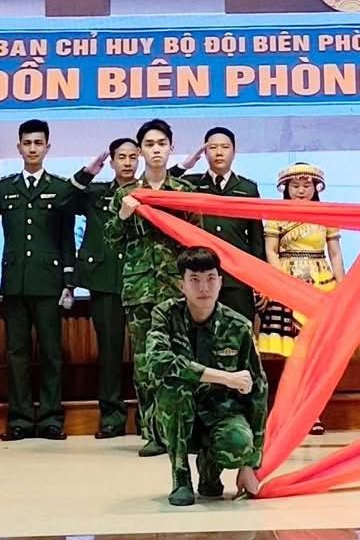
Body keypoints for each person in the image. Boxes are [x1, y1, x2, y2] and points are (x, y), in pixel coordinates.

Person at [0, 118, 81, 442]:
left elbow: (67, 240)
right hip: (15, 283)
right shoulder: (5, 187)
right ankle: (19, 419)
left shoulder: (60, 188)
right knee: (16, 354)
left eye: (38, 143)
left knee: (51, 354)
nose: (32, 148)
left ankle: (50, 419)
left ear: (48, 147)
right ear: (18, 147)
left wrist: (69, 281)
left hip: (48, 284)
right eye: (27, 143)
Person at [141, 249, 268, 506]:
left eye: (210, 279)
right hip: (171, 417)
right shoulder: (165, 315)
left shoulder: (238, 327)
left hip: (220, 412)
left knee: (238, 443)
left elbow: (258, 391)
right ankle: (181, 477)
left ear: (220, 282)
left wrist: (250, 464)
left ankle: (210, 469)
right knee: (176, 389)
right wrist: (225, 378)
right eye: (194, 280)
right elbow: (158, 362)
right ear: (182, 285)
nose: (203, 288)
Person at [116, 119, 198, 457]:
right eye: (149, 145)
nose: (156, 150)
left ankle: (184, 431)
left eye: (161, 144)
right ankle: (154, 433)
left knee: (181, 359)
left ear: (171, 148)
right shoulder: (125, 193)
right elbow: (110, 239)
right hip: (139, 290)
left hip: (176, 289)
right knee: (145, 363)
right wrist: (123, 215)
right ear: (140, 151)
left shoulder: (184, 192)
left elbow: (197, 242)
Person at [260, 162, 345, 435]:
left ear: (315, 187)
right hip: (288, 285)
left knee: (316, 353)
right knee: (295, 354)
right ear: (285, 188)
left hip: (322, 285)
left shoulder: (326, 214)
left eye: (306, 185)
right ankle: (292, 411)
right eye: (295, 185)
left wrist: (343, 287)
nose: (300, 190)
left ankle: (312, 411)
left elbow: (335, 253)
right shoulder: (277, 215)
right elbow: (271, 251)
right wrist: (281, 283)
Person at [71, 136, 141, 439]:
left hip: (142, 280)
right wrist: (87, 172)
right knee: (109, 353)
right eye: (121, 157)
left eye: (132, 156)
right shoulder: (96, 192)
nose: (127, 162)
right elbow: (64, 201)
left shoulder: (147, 192)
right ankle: (112, 418)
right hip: (104, 279)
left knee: (146, 354)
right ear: (111, 161)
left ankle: (148, 418)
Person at [180, 126, 264, 320]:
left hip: (237, 277)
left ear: (234, 151)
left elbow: (256, 239)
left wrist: (260, 281)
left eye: (225, 147)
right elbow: (159, 184)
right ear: (204, 152)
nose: (219, 152)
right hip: (200, 275)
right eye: (212, 147)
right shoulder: (190, 185)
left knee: (240, 329)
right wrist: (185, 166)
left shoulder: (247, 188)